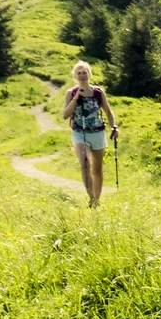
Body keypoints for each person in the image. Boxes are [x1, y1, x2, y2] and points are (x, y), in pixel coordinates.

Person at [61, 60, 117, 208]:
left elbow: (108, 111)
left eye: (84, 72)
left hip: (97, 132)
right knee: (85, 162)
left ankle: (97, 200)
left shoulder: (98, 92)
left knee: (97, 168)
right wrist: (75, 98)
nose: (82, 75)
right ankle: (91, 197)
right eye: (78, 73)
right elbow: (65, 115)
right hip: (79, 132)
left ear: (89, 74)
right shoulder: (71, 93)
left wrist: (114, 126)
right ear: (75, 76)